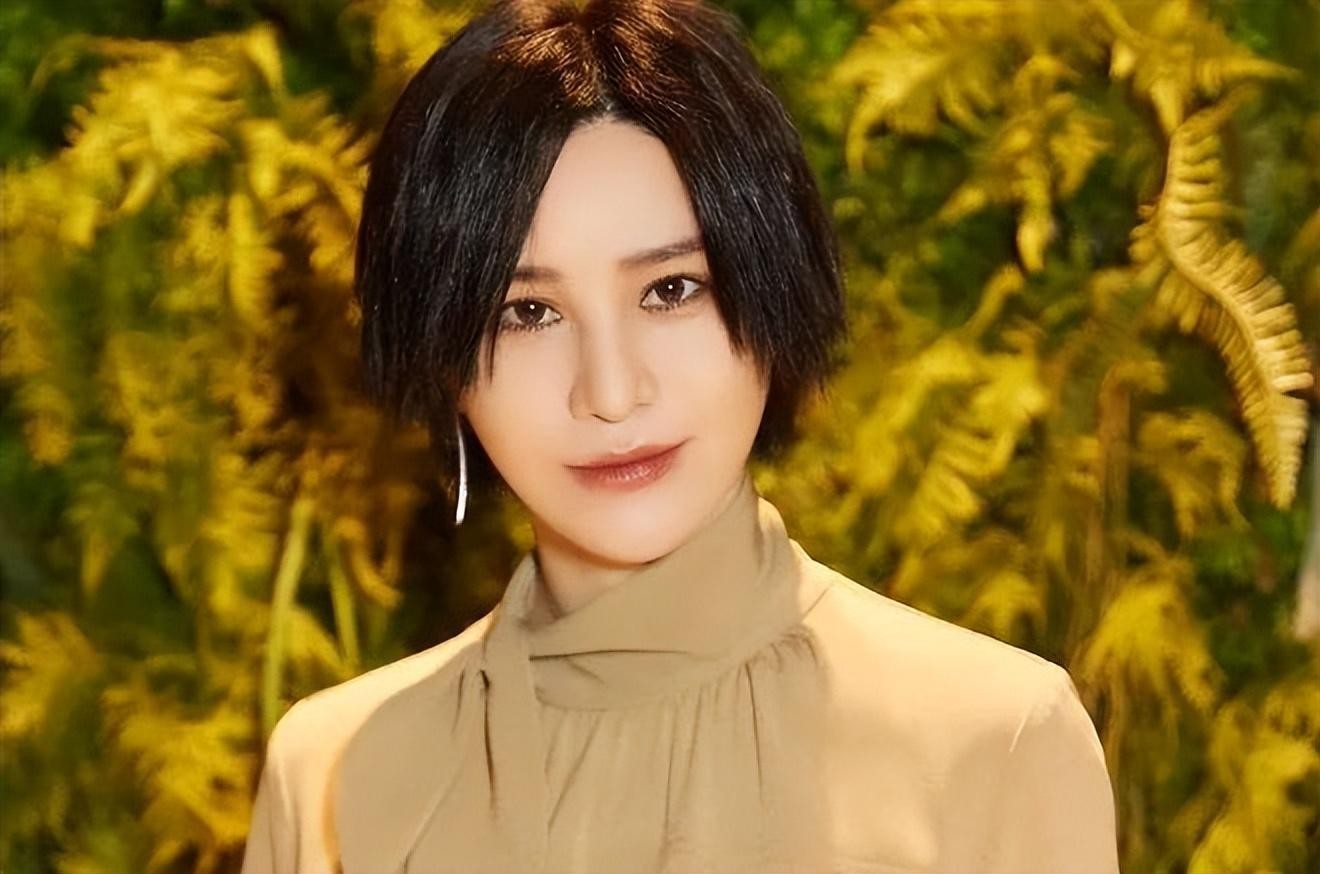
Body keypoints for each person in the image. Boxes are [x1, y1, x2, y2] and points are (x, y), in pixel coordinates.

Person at [239, 0, 1120, 872]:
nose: (612, 393)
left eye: (671, 291)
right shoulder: (328, 776)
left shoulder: (994, 742)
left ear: (770, 284)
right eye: (528, 312)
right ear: (443, 353)